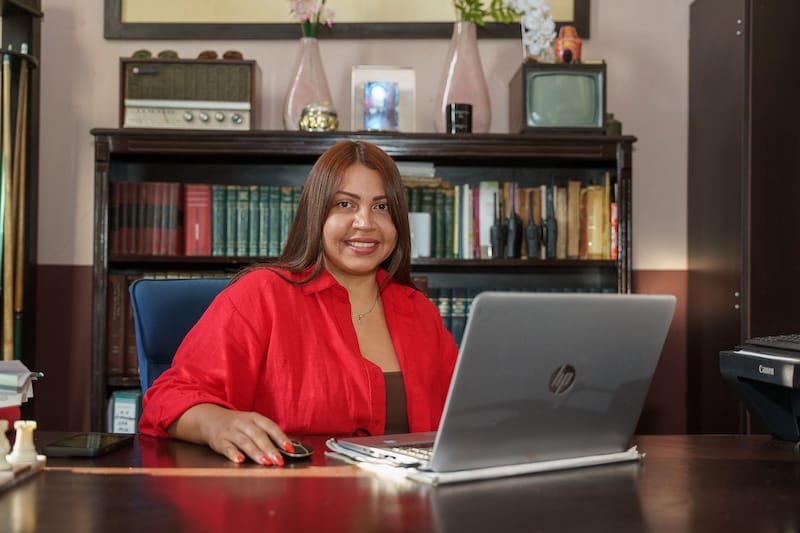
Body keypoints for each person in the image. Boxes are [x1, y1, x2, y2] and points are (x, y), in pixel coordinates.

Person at [138, 140, 458, 466]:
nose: (366, 223)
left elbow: (467, 416)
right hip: (290, 504)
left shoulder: (420, 312)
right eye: (345, 205)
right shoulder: (261, 295)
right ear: (316, 213)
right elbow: (168, 397)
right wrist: (216, 423)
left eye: (381, 207)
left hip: (409, 507)